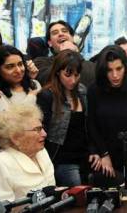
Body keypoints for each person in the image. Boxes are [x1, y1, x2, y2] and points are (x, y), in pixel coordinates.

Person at [36, 49, 101, 187]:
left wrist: (94, 150)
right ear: (58, 71)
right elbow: (43, 132)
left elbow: (89, 126)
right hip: (62, 160)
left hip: (85, 157)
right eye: (68, 74)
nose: (73, 80)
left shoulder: (82, 91)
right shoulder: (47, 96)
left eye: (77, 75)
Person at [87, 45, 127, 186]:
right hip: (106, 156)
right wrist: (103, 154)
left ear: (126, 67)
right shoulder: (94, 90)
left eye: (119, 69)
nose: (115, 75)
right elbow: (91, 124)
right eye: (109, 70)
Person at [0, 104, 55, 201]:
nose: (44, 134)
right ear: (16, 138)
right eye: (37, 129)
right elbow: (1, 208)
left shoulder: (41, 152)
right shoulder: (0, 164)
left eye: (42, 128)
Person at [33, 20, 96, 88]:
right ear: (50, 43)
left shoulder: (91, 65)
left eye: (64, 31)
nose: (61, 34)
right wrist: (65, 54)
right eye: (55, 33)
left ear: (72, 38)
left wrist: (75, 54)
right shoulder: (40, 62)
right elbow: (45, 80)